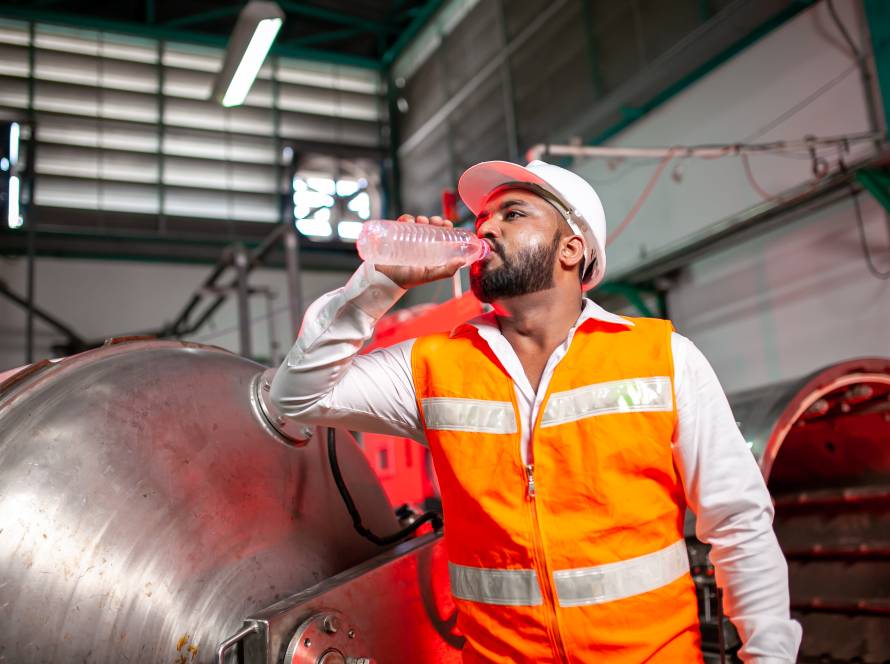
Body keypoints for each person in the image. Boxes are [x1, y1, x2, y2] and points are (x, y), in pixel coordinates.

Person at [270, 160, 802, 663]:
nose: (486, 230)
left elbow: (739, 524)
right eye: (482, 218)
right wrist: (378, 285)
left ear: (571, 249)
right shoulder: (431, 365)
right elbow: (296, 395)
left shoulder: (663, 359)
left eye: (513, 214)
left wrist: (769, 655)